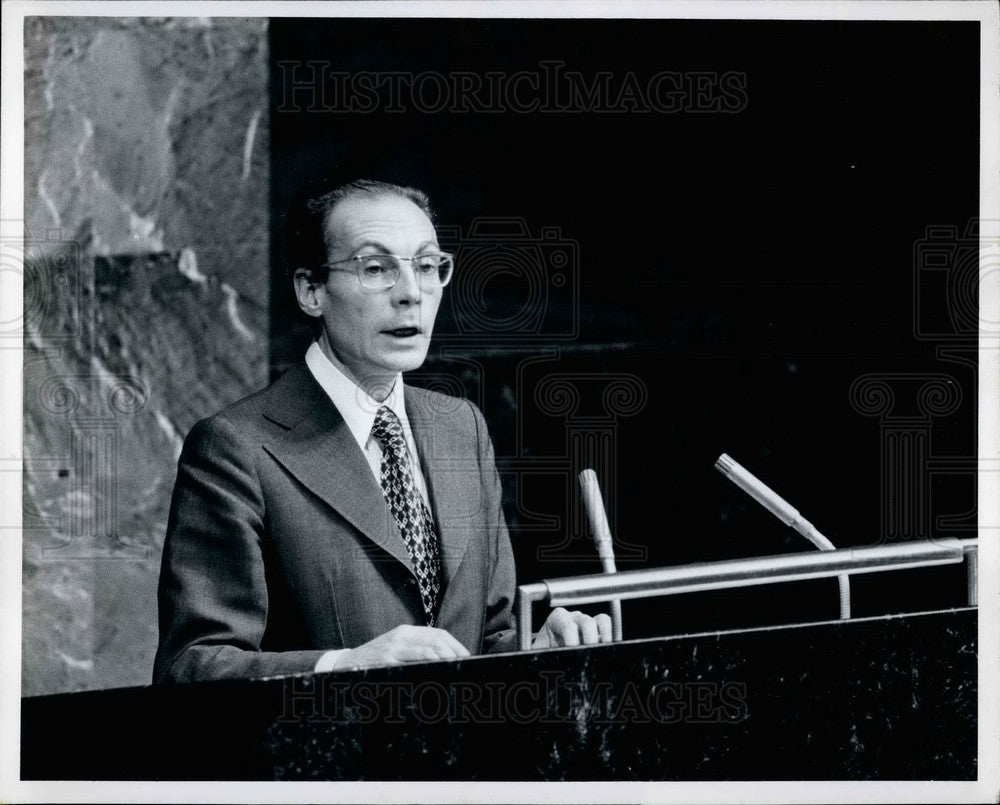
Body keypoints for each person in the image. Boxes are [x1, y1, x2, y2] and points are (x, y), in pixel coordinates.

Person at [153, 179, 611, 683]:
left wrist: (536, 647)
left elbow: (486, 635)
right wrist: (346, 666)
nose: (411, 294)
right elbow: (192, 667)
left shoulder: (460, 427)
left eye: (428, 266)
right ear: (311, 290)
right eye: (376, 269)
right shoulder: (235, 448)